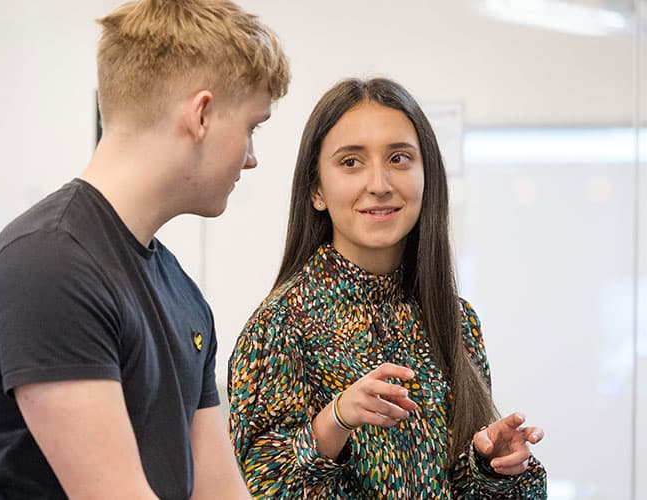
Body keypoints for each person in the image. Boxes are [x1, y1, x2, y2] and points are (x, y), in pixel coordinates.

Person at [0, 0, 290, 498]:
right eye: (252, 128)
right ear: (202, 114)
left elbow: (221, 492)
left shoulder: (183, 297)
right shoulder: (49, 265)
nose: (252, 157)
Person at [228, 77, 547, 497]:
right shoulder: (279, 326)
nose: (379, 183)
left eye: (399, 158)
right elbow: (258, 487)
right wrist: (336, 420)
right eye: (350, 162)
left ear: (426, 175)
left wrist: (493, 468)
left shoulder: (457, 320)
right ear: (316, 190)